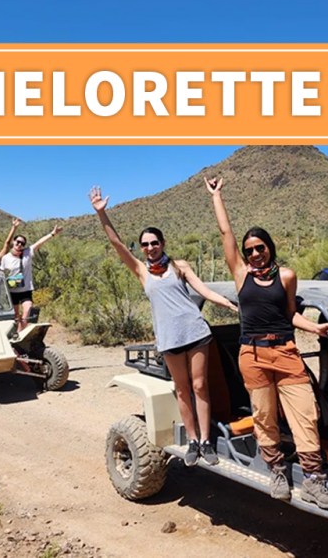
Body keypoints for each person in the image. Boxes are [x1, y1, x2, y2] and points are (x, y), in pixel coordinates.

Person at [206, 176, 328, 510]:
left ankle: (313, 480)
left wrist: (315, 328)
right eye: (249, 250)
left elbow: (290, 314)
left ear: (270, 248)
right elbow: (226, 235)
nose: (253, 253)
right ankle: (276, 470)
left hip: (286, 351)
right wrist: (217, 197)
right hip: (251, 353)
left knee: (305, 413)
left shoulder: (286, 276)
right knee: (263, 415)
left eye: (259, 248)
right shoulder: (240, 273)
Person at [90, 186, 236, 467]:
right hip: (169, 338)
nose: (149, 248)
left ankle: (206, 441)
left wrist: (227, 304)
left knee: (200, 386)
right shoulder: (142, 272)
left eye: (154, 243)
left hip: (195, 332)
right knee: (182, 390)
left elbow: (203, 290)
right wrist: (101, 213)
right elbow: (118, 245)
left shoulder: (180, 266)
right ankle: (192, 440)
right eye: (144, 244)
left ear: (162, 243)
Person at [0, 222, 63, 330]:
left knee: (26, 313)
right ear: (14, 242)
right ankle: (15, 336)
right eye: (18, 242)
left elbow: (39, 242)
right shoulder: (6, 258)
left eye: (22, 243)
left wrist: (52, 234)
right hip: (12, 291)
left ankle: (20, 335)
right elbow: (2, 273)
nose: (20, 244)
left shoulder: (28, 253)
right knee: (16, 316)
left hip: (26, 290)